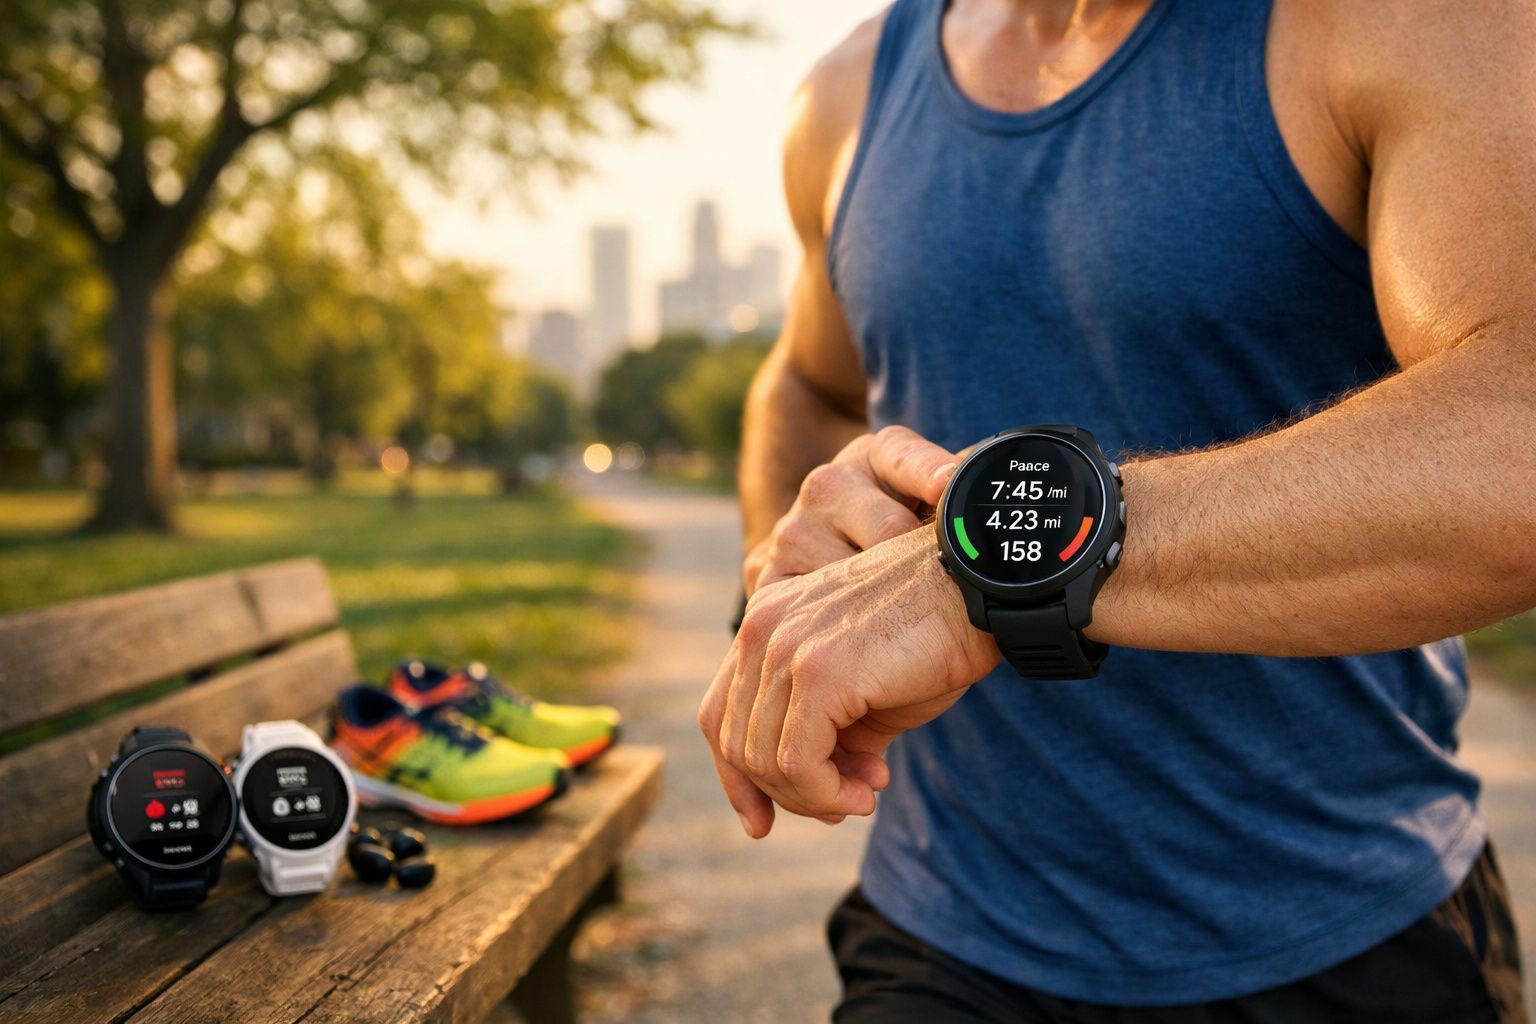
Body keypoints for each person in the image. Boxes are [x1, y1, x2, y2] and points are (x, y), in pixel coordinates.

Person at [697, 0, 1534, 1019]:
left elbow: (1517, 436)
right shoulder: (847, 91)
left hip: (1341, 926)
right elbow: (807, 384)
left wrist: (990, 563)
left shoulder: (1410, 21)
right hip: (944, 931)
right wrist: (782, 580)